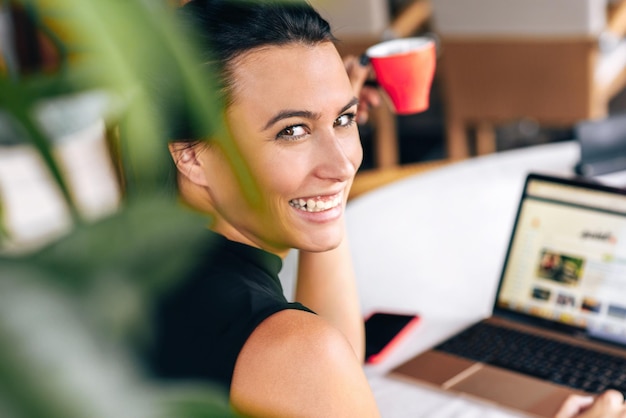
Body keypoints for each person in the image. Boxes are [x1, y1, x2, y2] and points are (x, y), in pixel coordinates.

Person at [145, 0, 626, 417]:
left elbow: (335, 364)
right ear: (192, 155)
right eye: (292, 130)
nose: (343, 163)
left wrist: (321, 199)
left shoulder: (130, 276)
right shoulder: (292, 350)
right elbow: (318, 363)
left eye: (345, 118)